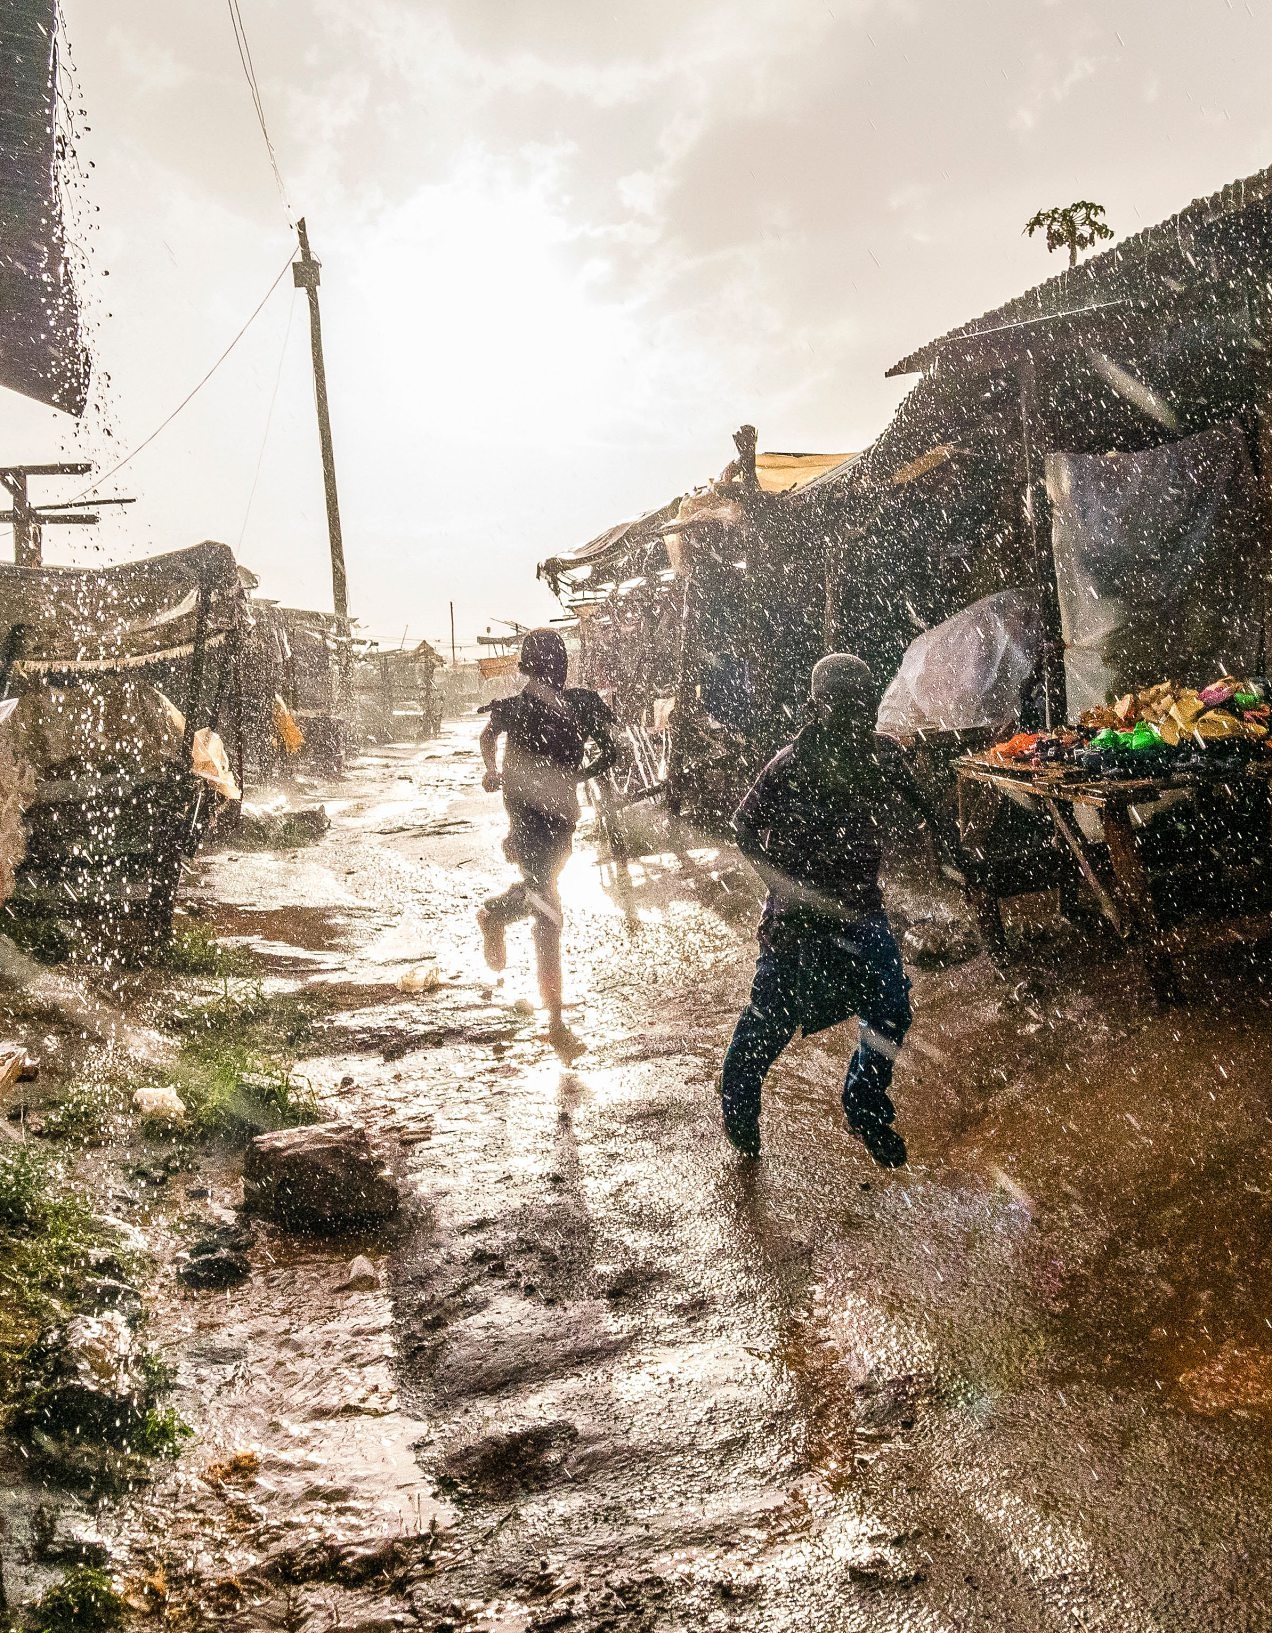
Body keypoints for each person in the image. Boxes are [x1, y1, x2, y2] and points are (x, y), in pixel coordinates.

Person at [720, 653, 954, 1168]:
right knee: (772, 1022)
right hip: (795, 919)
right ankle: (738, 1109)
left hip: (860, 911)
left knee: (890, 1005)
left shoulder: (879, 756)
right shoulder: (791, 762)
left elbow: (929, 806)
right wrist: (781, 884)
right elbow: (742, 825)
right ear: (815, 707)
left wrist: (953, 841)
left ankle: (864, 1100)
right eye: (841, 706)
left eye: (861, 706)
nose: (854, 718)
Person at [477, 628, 618, 1053]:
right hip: (525, 815)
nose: (557, 668)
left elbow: (611, 751)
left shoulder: (577, 704)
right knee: (549, 910)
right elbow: (487, 737)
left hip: (561, 818)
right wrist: (494, 772)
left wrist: (572, 778)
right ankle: (555, 1018)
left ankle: (495, 914)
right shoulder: (518, 708)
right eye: (553, 661)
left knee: (543, 890)